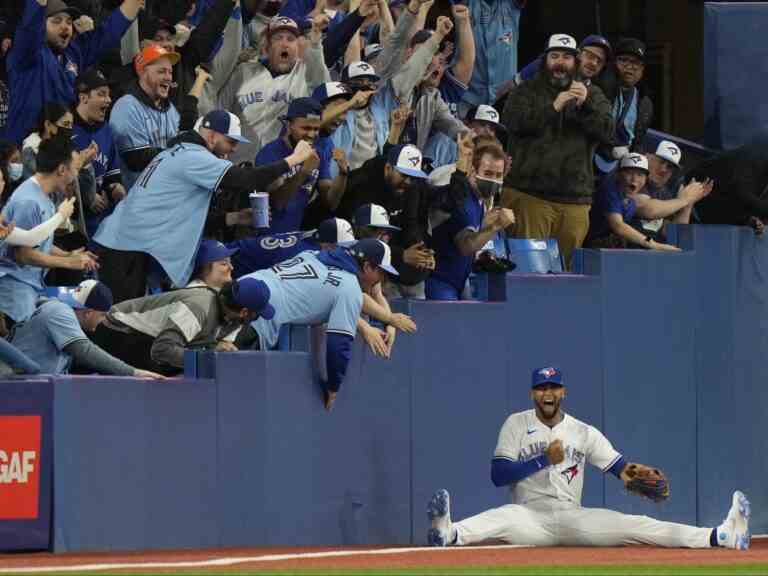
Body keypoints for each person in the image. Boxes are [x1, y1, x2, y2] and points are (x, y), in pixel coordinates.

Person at [426, 366, 752, 550]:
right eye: (541, 388)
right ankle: (448, 533)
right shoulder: (516, 423)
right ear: (532, 393)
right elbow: (499, 475)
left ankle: (720, 535)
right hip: (528, 518)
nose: (548, 393)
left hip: (573, 518)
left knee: (636, 526)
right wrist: (543, 460)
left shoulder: (584, 432)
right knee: (498, 516)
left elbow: (621, 469)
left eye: (554, 387)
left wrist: (636, 475)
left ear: (563, 392)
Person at [93, 108, 314, 303]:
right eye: (230, 141)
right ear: (210, 136)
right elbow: (247, 179)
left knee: (127, 323)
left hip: (126, 244)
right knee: (118, 323)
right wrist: (294, 159)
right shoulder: (194, 156)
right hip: (126, 247)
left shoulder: (181, 152)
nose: (234, 149)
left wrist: (235, 218)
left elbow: (186, 215)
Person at [238, 238, 397, 409]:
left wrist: (387, 320)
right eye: (381, 273)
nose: (382, 279)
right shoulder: (349, 287)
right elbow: (338, 344)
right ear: (366, 267)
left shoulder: (312, 254)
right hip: (259, 314)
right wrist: (333, 388)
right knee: (233, 380)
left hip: (242, 285)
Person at [500, 34, 614, 270]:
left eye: (567, 57)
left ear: (576, 62)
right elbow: (513, 122)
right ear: (545, 60)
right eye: (554, 56)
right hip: (529, 195)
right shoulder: (527, 90)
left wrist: (586, 107)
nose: (560, 63)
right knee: (527, 273)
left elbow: (608, 133)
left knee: (564, 276)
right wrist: (554, 107)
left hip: (575, 201)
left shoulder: (594, 96)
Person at [4, 0, 143, 145]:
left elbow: (107, 34)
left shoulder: (73, 54)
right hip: (20, 152)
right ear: (41, 25)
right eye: (56, 21)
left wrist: (134, 3)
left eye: (69, 22)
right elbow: (30, 26)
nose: (65, 26)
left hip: (59, 152)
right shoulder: (25, 53)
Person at [0, 135, 98, 324]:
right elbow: (24, 254)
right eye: (74, 169)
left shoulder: (45, 197)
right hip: (14, 292)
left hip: (33, 286)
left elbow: (40, 241)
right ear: (62, 169)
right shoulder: (29, 201)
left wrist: (68, 255)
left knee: (87, 300)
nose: (74, 176)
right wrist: (68, 263)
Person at [91, 277, 275, 375]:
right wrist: (209, 356)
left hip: (153, 341)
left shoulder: (234, 319)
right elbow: (163, 350)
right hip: (119, 332)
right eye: (256, 313)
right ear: (244, 311)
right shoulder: (198, 308)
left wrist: (215, 350)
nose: (257, 317)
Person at [218, 14, 331, 162]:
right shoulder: (244, 71)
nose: (285, 44)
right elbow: (222, 109)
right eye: (278, 38)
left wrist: (315, 42)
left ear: (297, 47)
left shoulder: (305, 75)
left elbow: (321, 84)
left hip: (281, 167)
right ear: (267, 46)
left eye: (291, 39)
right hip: (237, 162)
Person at [10, 279, 163, 377]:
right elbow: (84, 351)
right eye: (102, 315)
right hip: (14, 387)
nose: (103, 321)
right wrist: (133, 372)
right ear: (89, 313)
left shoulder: (54, 309)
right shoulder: (60, 312)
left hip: (21, 384)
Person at [109, 44, 210, 190]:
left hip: (164, 195)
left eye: (170, 72)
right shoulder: (127, 106)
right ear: (143, 72)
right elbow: (137, 159)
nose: (168, 78)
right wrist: (180, 150)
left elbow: (183, 138)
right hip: (137, 200)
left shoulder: (169, 109)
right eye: (162, 71)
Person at [427, 134, 514, 300]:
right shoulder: (463, 200)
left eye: (498, 175)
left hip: (457, 280)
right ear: (473, 171)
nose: (493, 180)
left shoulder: (479, 199)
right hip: (439, 281)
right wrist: (495, 227)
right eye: (487, 173)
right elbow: (465, 245)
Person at [585, 153, 710, 251]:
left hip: (623, 253)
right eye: (629, 173)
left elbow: (674, 234)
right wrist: (655, 245)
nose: (634, 179)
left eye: (640, 175)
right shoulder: (612, 189)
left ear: (645, 177)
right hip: (592, 250)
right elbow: (620, 225)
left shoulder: (660, 194)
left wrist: (689, 203)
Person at [254, 97, 326, 234]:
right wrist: (303, 172)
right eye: (305, 128)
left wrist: (343, 173)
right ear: (289, 125)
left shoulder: (317, 153)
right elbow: (277, 204)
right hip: (265, 236)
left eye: (316, 129)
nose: (311, 134)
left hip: (294, 232)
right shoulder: (269, 154)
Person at [72, 68, 125, 238]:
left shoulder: (107, 130)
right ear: (83, 97)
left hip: (99, 221)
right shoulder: (65, 128)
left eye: (109, 95)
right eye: (102, 94)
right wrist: (88, 195)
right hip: (70, 221)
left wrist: (116, 187)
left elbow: (111, 175)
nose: (108, 100)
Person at [594, 38, 653, 176]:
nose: (629, 67)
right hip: (590, 161)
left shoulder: (644, 102)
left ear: (642, 69)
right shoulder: (598, 88)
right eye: (623, 60)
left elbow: (638, 142)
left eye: (636, 63)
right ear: (613, 63)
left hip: (619, 170)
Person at [229, 217, 355, 278]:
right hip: (233, 263)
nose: (344, 252)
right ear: (327, 244)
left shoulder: (312, 237)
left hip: (239, 252)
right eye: (341, 247)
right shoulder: (302, 254)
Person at [461, 0, 526, 115]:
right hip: (469, 99)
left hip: (505, 99)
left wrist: (519, 78)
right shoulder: (466, 4)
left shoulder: (511, 5)